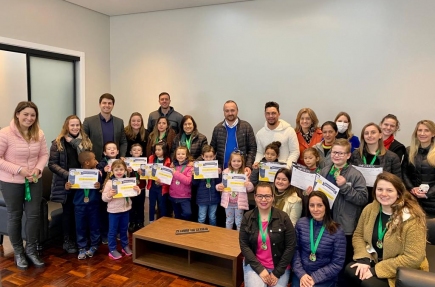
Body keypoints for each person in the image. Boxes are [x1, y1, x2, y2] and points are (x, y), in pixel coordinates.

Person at [345, 172, 428, 287]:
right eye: (380, 189)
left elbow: (413, 258)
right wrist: (364, 259)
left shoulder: (412, 218)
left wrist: (376, 270)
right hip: (374, 261)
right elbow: (358, 235)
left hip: (402, 271)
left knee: (369, 283)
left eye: (389, 190)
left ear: (398, 193)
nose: (384, 194)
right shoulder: (370, 209)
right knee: (351, 270)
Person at [0, 101, 49, 269]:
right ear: (17, 114)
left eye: (33, 115)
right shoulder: (5, 134)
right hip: (11, 182)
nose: (29, 118)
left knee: (34, 216)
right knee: (15, 216)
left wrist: (38, 168)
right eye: (26, 114)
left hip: (34, 180)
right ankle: (19, 252)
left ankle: (31, 250)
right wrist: (19, 169)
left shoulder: (39, 133)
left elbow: (44, 154)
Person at [317, 139, 368, 266]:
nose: (336, 156)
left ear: (348, 155)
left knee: (341, 262)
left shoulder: (356, 175)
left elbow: (362, 199)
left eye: (341, 153)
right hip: (326, 223)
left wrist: (345, 186)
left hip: (345, 227)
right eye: (334, 152)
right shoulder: (325, 171)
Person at [48, 115, 93, 254]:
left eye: (77, 125)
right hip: (66, 183)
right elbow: (52, 164)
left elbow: (90, 161)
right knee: (68, 212)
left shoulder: (85, 142)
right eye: (72, 125)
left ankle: (80, 238)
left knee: (81, 211)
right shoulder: (58, 143)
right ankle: (67, 240)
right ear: (66, 126)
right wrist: (68, 175)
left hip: (83, 183)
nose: (75, 128)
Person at [239, 182, 296, 287]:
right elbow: (244, 245)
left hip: (279, 267)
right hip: (255, 265)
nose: (263, 200)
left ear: (273, 197)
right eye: (260, 196)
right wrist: (260, 270)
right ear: (255, 197)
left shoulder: (283, 217)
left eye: (267, 196)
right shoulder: (247, 217)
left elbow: (290, 246)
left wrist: (277, 273)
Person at [292, 191, 346, 287]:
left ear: (326, 206)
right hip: (302, 274)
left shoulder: (337, 231)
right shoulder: (301, 224)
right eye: (312, 205)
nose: (315, 209)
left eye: (319, 205)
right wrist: (302, 274)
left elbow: (337, 263)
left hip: (324, 277)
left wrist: (315, 278)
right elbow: (295, 251)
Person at [350, 123, 402, 202]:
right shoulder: (355, 154)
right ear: (363, 137)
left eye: (373, 132)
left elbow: (398, 182)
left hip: (382, 198)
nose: (369, 135)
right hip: (359, 196)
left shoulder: (392, 157)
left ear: (380, 135)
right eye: (366, 133)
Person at [64, 151, 102, 260]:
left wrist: (99, 186)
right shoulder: (75, 175)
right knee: (80, 227)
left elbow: (100, 188)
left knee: (94, 226)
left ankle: (94, 245)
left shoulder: (97, 174)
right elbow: (70, 193)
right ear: (87, 162)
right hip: (79, 206)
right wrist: (67, 188)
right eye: (94, 159)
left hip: (93, 205)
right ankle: (82, 247)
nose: (96, 161)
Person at [102, 160, 141, 260]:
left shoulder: (128, 181)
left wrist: (137, 190)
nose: (119, 172)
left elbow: (133, 193)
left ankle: (125, 246)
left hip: (126, 210)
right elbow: (104, 198)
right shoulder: (110, 183)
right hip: (114, 211)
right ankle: (112, 249)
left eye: (121, 169)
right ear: (112, 171)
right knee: (113, 231)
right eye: (116, 170)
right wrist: (109, 194)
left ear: (125, 170)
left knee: (124, 230)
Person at [211, 100, 257, 172]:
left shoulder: (246, 127)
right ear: (224, 112)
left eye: (232, 110)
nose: (230, 113)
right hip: (222, 170)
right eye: (227, 111)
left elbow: (252, 149)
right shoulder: (217, 128)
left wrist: (248, 165)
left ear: (237, 111)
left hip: (242, 171)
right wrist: (217, 166)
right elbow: (212, 150)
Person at [402, 120, 435, 218]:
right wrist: (412, 188)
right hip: (413, 199)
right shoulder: (409, 150)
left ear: (433, 133)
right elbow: (404, 172)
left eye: (426, 130)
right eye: (419, 130)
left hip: (432, 202)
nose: (422, 133)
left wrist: (427, 194)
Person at [254, 101, 299, 169]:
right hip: (266, 172)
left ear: (279, 114)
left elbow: (295, 152)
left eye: (273, 113)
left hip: (285, 172)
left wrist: (287, 167)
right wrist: (257, 162)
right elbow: (260, 152)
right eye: (268, 113)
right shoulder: (260, 133)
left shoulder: (289, 131)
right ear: (265, 115)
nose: (270, 116)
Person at [83, 93, 127, 161]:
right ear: (99, 104)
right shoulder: (89, 121)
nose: (107, 105)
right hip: (95, 161)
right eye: (104, 103)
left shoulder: (119, 122)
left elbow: (123, 141)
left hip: (114, 162)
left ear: (113, 105)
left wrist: (122, 155)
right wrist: (89, 158)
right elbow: (84, 141)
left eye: (109, 103)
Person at [217, 150, 254, 230]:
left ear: (242, 162)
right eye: (234, 161)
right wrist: (219, 187)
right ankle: (228, 236)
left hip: (239, 202)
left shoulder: (245, 173)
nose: (236, 163)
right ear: (230, 161)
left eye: (239, 161)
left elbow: (250, 189)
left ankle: (238, 237)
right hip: (228, 202)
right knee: (229, 220)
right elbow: (221, 185)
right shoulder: (226, 172)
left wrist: (249, 185)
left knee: (239, 221)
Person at [193, 145, 221, 226]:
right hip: (202, 198)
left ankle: (213, 235)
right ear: (202, 156)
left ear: (214, 156)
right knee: (201, 217)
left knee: (212, 217)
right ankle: (200, 236)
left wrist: (219, 174)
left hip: (214, 197)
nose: (208, 159)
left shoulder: (217, 167)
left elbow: (219, 184)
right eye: (206, 156)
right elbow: (195, 184)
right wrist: (195, 175)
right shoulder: (199, 168)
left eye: (211, 156)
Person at [146, 141, 171, 222]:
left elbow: (168, 175)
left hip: (162, 187)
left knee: (162, 205)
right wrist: (143, 171)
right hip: (152, 185)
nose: (157, 151)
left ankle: (162, 222)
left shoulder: (168, 160)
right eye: (156, 149)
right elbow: (148, 170)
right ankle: (151, 221)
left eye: (159, 150)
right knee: (152, 204)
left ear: (164, 150)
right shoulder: (151, 158)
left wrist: (162, 181)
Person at [169, 146, 194, 220]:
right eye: (178, 154)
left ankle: (184, 226)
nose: (180, 156)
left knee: (187, 213)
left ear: (187, 156)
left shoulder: (190, 167)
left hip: (184, 197)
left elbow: (188, 181)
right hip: (173, 196)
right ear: (175, 155)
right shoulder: (172, 167)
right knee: (177, 216)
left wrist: (175, 173)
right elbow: (168, 180)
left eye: (183, 154)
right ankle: (178, 228)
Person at [127, 143, 147, 232]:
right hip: (130, 188)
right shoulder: (127, 162)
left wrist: (143, 173)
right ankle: (132, 222)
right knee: (131, 205)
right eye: (134, 150)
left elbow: (148, 176)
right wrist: (128, 171)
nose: (136, 151)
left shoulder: (144, 163)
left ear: (142, 152)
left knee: (140, 206)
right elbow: (123, 176)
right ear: (130, 152)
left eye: (139, 150)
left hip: (141, 188)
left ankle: (140, 222)